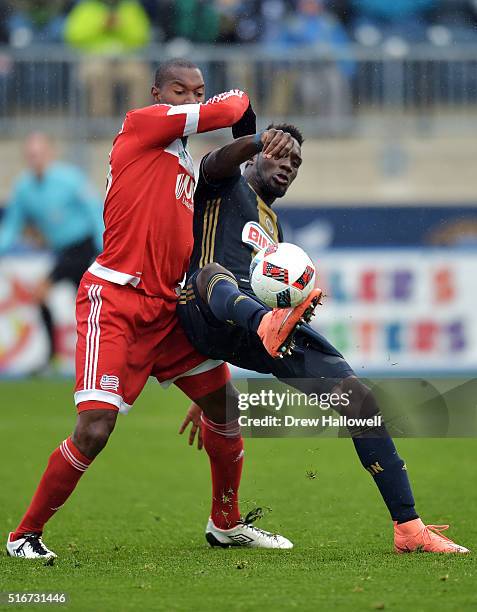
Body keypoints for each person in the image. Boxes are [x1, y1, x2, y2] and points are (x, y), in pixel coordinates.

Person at [6, 60, 319, 559]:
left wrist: (261, 143)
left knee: (223, 403)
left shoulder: (187, 166)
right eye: (180, 90)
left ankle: (226, 523)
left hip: (166, 307)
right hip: (116, 301)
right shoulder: (141, 124)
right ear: (157, 92)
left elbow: (228, 154)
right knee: (94, 429)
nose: (190, 99)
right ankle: (25, 535)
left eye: (198, 91)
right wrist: (263, 136)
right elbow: (235, 106)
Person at [177, 123, 470, 554]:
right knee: (214, 276)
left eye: (296, 161)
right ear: (255, 157)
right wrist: (255, 138)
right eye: (280, 154)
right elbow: (219, 160)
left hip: (252, 326)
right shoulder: (223, 185)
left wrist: (208, 378)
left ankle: (409, 528)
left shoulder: (274, 231)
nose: (289, 165)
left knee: (359, 399)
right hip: (200, 305)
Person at [0, 132, 103, 367]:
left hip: (83, 247)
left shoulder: (70, 179)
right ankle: (86, 356)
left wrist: (103, 246)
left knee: (41, 292)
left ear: (50, 153)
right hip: (63, 252)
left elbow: (94, 210)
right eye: (31, 155)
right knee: (90, 305)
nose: (36, 159)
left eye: (40, 154)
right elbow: (12, 225)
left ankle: (53, 357)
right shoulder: (24, 188)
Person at [64, 0, 152, 117]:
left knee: (140, 75)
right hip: (94, 58)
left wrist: (121, 27)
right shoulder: (86, 7)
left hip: (126, 58)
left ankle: (137, 122)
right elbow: (73, 36)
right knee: (98, 74)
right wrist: (101, 26)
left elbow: (142, 36)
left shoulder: (131, 7)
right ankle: (101, 123)